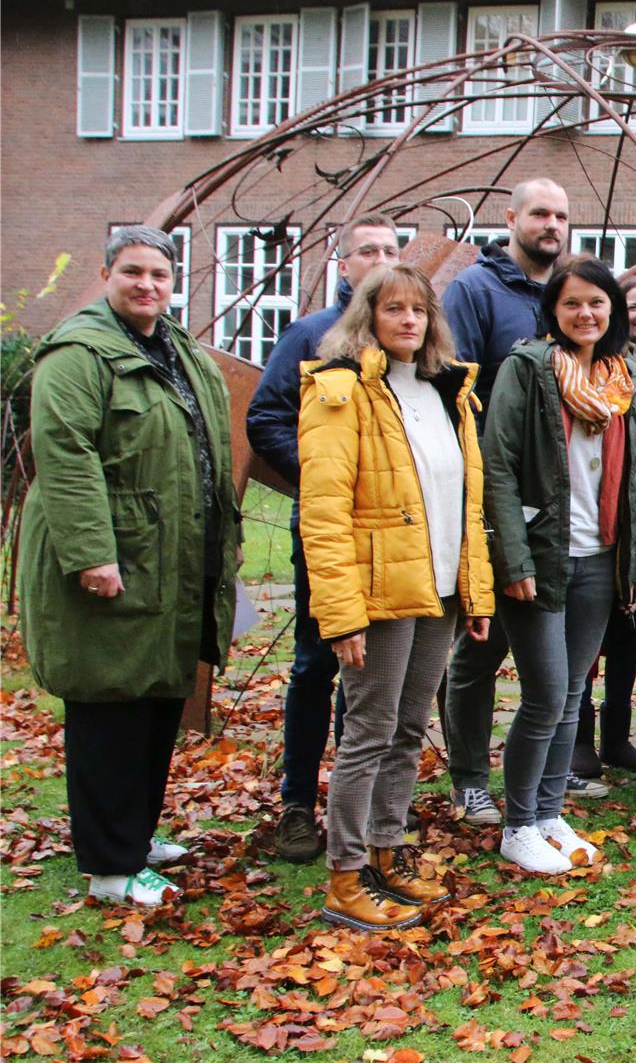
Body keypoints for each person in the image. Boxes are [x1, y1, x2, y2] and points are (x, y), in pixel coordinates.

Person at [20, 226, 241, 907]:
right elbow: (65, 454)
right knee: (109, 709)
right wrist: (91, 554)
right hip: (118, 558)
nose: (148, 285)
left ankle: (134, 836)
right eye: (133, 272)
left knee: (155, 702)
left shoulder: (176, 350)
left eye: (160, 276)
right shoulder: (79, 352)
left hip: (171, 559)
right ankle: (110, 867)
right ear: (106, 273)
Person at [298, 263, 494, 929]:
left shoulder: (449, 392)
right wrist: (341, 615)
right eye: (393, 310)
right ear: (367, 317)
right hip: (380, 595)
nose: (408, 321)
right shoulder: (339, 392)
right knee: (369, 732)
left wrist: (476, 591)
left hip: (436, 589)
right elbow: (324, 514)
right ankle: (345, 876)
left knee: (409, 731)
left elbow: (467, 504)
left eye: (419, 310)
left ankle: (385, 852)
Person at [482, 255, 636, 873]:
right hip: (542, 556)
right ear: (554, 310)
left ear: (612, 311)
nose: (586, 313)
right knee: (546, 696)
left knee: (575, 692)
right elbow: (496, 463)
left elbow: (628, 480)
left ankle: (550, 813)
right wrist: (512, 555)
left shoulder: (617, 378)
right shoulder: (527, 369)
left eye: (597, 303)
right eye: (572, 302)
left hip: (598, 557)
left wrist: (635, 563)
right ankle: (518, 823)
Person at [246, 212, 402, 864]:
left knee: (374, 679)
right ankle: (295, 806)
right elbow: (265, 417)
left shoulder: (408, 341)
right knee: (316, 665)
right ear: (344, 265)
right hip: (329, 533)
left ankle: (355, 806)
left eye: (393, 249)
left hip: (394, 544)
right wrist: (322, 480)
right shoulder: (312, 334)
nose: (381, 258)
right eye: (368, 250)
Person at [442, 178, 578, 827]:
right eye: (540, 213)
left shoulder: (563, 293)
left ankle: (546, 773)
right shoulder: (475, 290)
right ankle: (468, 776)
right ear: (511, 217)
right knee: (481, 643)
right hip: (489, 495)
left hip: (550, 505)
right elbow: (452, 386)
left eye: (561, 216)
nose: (551, 225)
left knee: (549, 652)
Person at [568, 272, 636, 779]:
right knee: (585, 632)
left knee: (629, 623)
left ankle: (616, 735)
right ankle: (580, 738)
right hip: (590, 509)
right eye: (630, 306)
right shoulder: (581, 365)